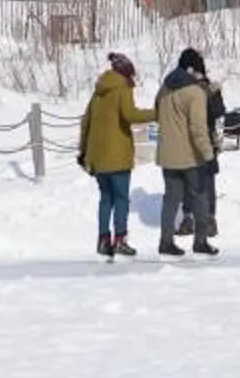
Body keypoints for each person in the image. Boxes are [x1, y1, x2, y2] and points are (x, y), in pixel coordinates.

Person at [74, 53, 145, 259]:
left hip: (98, 157)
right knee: (121, 199)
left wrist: (83, 151)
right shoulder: (122, 89)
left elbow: (86, 122)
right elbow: (131, 115)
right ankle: (120, 240)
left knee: (105, 199)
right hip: (118, 156)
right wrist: (157, 113)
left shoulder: (98, 92)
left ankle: (103, 240)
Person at [153, 49, 217, 256]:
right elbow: (198, 129)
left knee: (171, 200)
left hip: (167, 155)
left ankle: (165, 241)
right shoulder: (195, 92)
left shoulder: (164, 87)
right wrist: (209, 154)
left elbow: (156, 112)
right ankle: (200, 241)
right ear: (194, 69)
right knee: (200, 197)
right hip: (190, 156)